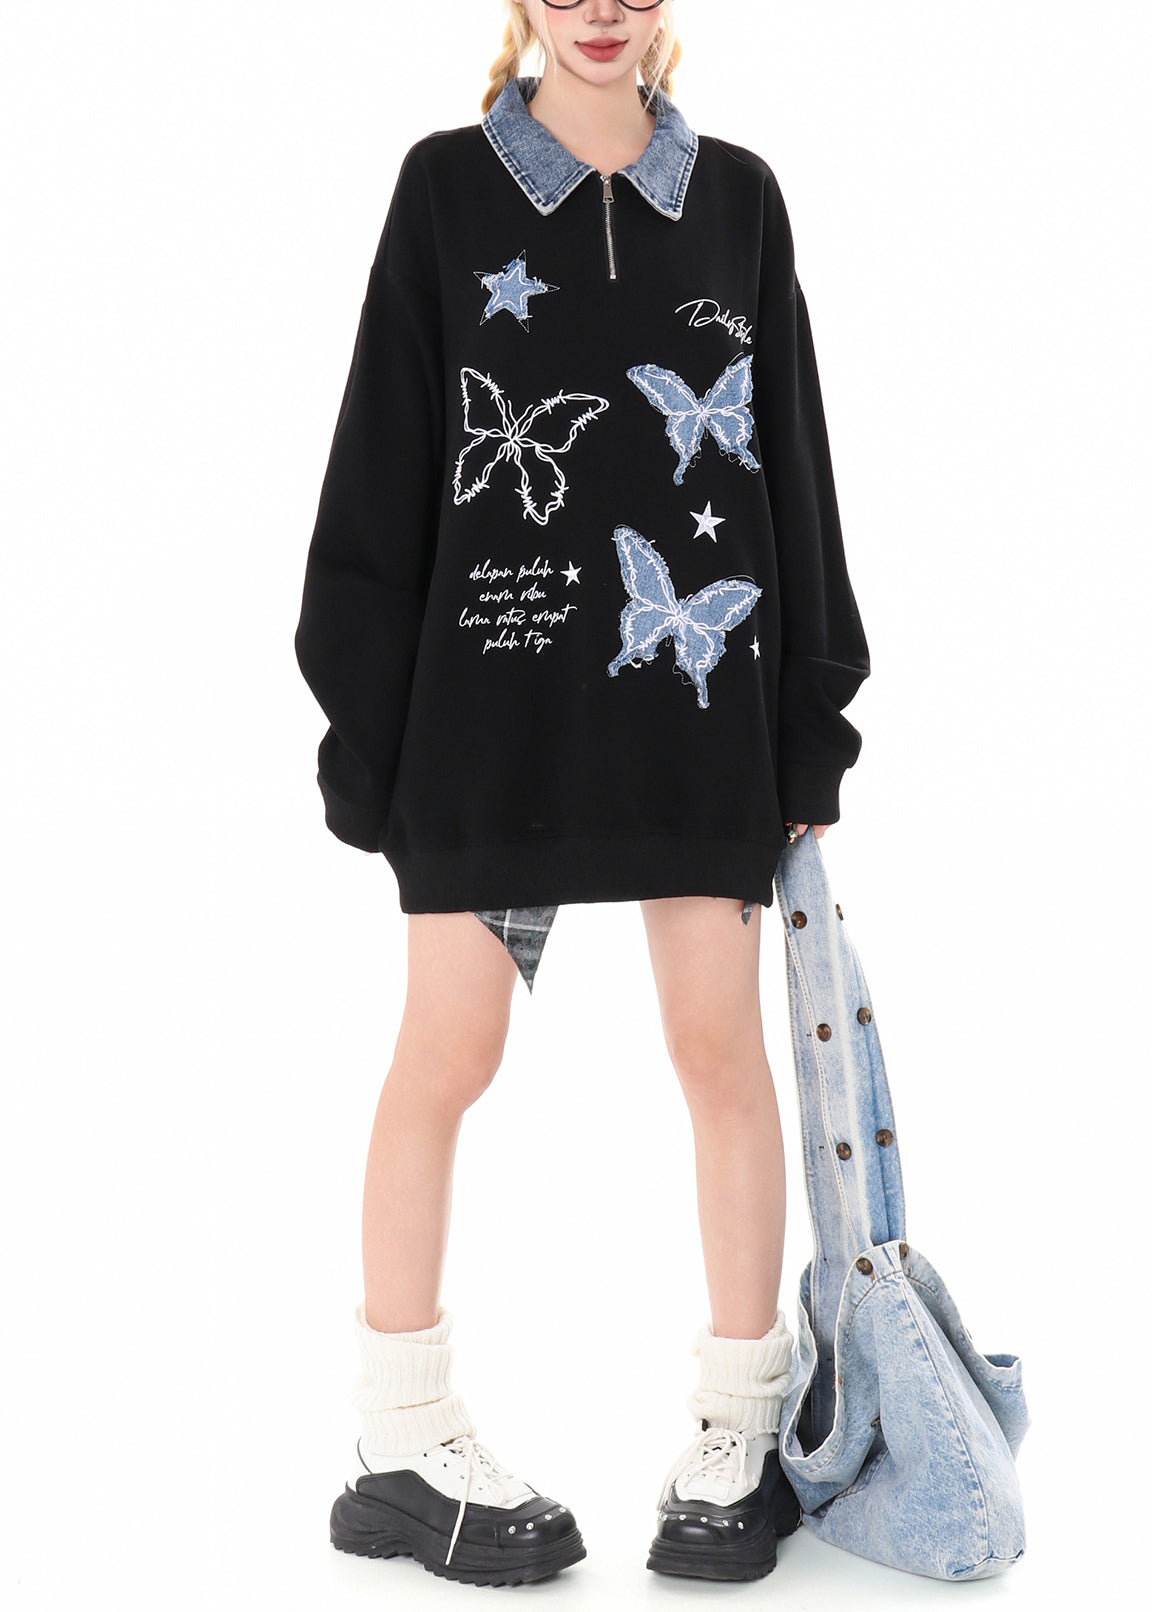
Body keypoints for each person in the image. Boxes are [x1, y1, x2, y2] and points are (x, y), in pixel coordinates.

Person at [294, 0, 869, 1589]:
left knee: (718, 1050)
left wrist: (811, 719)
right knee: (447, 1054)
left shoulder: (740, 199)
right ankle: (400, 1442)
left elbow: (793, 472)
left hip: (698, 712)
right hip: (490, 711)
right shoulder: (444, 188)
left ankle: (739, 1430)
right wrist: (368, 735)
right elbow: (382, 463)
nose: (603, 8)